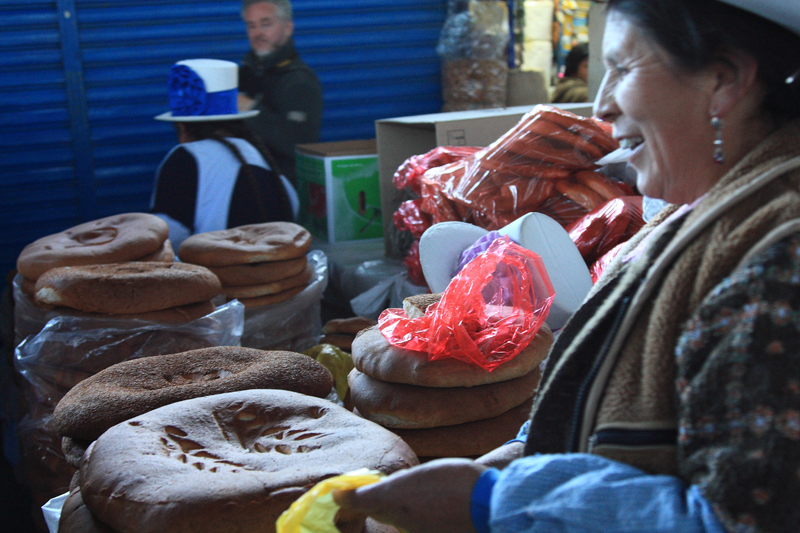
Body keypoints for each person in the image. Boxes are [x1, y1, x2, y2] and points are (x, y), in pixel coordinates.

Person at [333, 0, 800, 532]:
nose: (600, 106)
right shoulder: (702, 212)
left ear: (725, 79)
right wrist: (515, 460)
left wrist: (493, 502)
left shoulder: (779, 260)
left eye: (622, 69)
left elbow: (747, 520)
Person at [150, 58, 298, 251]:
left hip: (217, 278)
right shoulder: (262, 159)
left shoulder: (184, 158)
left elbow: (164, 239)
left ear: (181, 127)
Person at [237, 0, 323, 186]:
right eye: (251, 26)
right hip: (248, 185)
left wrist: (251, 109)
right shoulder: (247, 74)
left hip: (284, 192)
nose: (257, 33)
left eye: (266, 24)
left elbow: (299, 144)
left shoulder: (299, 81)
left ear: (288, 27)